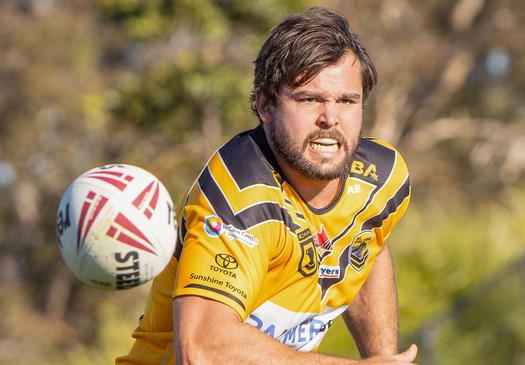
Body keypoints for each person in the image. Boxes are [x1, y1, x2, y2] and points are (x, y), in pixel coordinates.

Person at [116, 7, 416, 365]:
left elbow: (367, 240)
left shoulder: (382, 180)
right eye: (309, 99)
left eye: (347, 101)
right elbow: (202, 351)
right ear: (265, 105)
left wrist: (383, 357)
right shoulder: (239, 196)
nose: (330, 118)